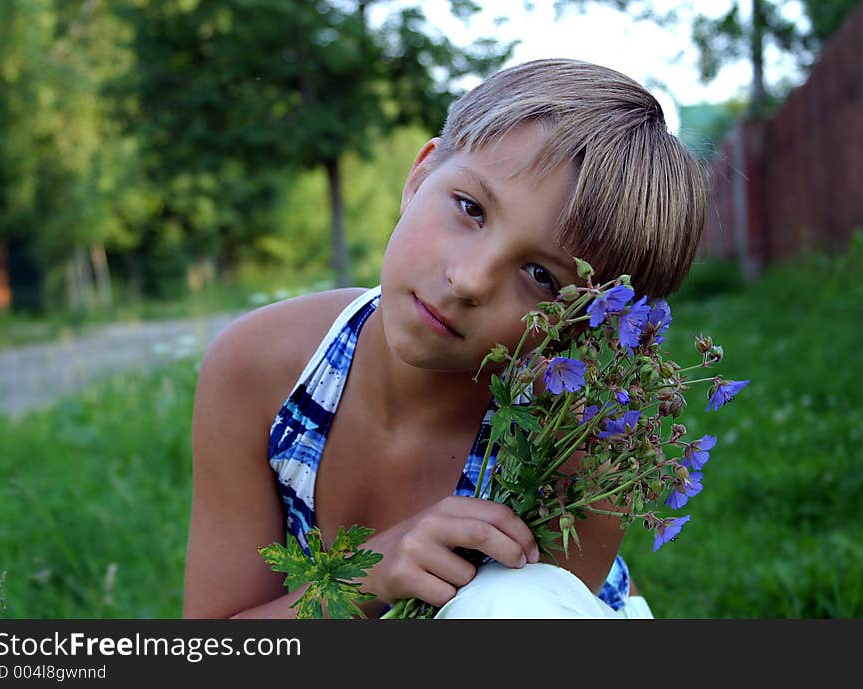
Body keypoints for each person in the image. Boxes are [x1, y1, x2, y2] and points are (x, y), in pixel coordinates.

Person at [182, 58, 706, 619]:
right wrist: (372, 576)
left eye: (541, 276)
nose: (469, 280)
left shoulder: (576, 441)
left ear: (587, 326)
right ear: (419, 176)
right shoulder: (259, 366)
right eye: (471, 209)